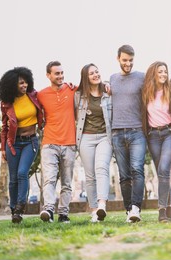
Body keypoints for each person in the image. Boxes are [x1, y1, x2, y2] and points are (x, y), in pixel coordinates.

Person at [0, 66, 43, 223]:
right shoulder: (7, 103)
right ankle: (14, 210)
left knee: (22, 173)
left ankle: (20, 206)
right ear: (12, 86)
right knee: (13, 179)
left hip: (30, 141)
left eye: (25, 83)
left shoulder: (34, 95)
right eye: (20, 84)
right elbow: (4, 128)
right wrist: (2, 148)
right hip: (13, 144)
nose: (24, 86)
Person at [38, 61, 77, 223]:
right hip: (49, 143)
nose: (60, 76)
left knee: (67, 182)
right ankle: (48, 209)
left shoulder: (72, 89)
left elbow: (92, 87)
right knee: (49, 178)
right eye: (57, 73)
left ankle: (63, 214)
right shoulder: (41, 95)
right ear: (48, 75)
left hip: (69, 143)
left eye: (62, 73)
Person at [110, 45, 146, 223]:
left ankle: (136, 208)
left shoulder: (141, 77)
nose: (128, 63)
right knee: (124, 175)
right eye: (125, 60)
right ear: (118, 59)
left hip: (137, 131)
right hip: (117, 132)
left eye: (131, 60)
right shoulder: (112, 79)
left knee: (137, 170)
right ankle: (128, 210)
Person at [75, 63, 113, 223]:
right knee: (90, 176)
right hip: (86, 138)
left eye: (97, 71)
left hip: (105, 136)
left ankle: (102, 205)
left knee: (101, 168)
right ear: (86, 77)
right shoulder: (79, 96)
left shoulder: (108, 92)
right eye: (91, 73)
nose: (96, 75)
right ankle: (94, 211)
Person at [142, 61, 171, 222]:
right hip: (153, 136)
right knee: (162, 173)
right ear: (153, 74)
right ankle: (169, 207)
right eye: (160, 71)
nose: (163, 74)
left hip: (169, 133)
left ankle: (162, 210)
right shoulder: (146, 92)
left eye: (165, 71)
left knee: (163, 169)